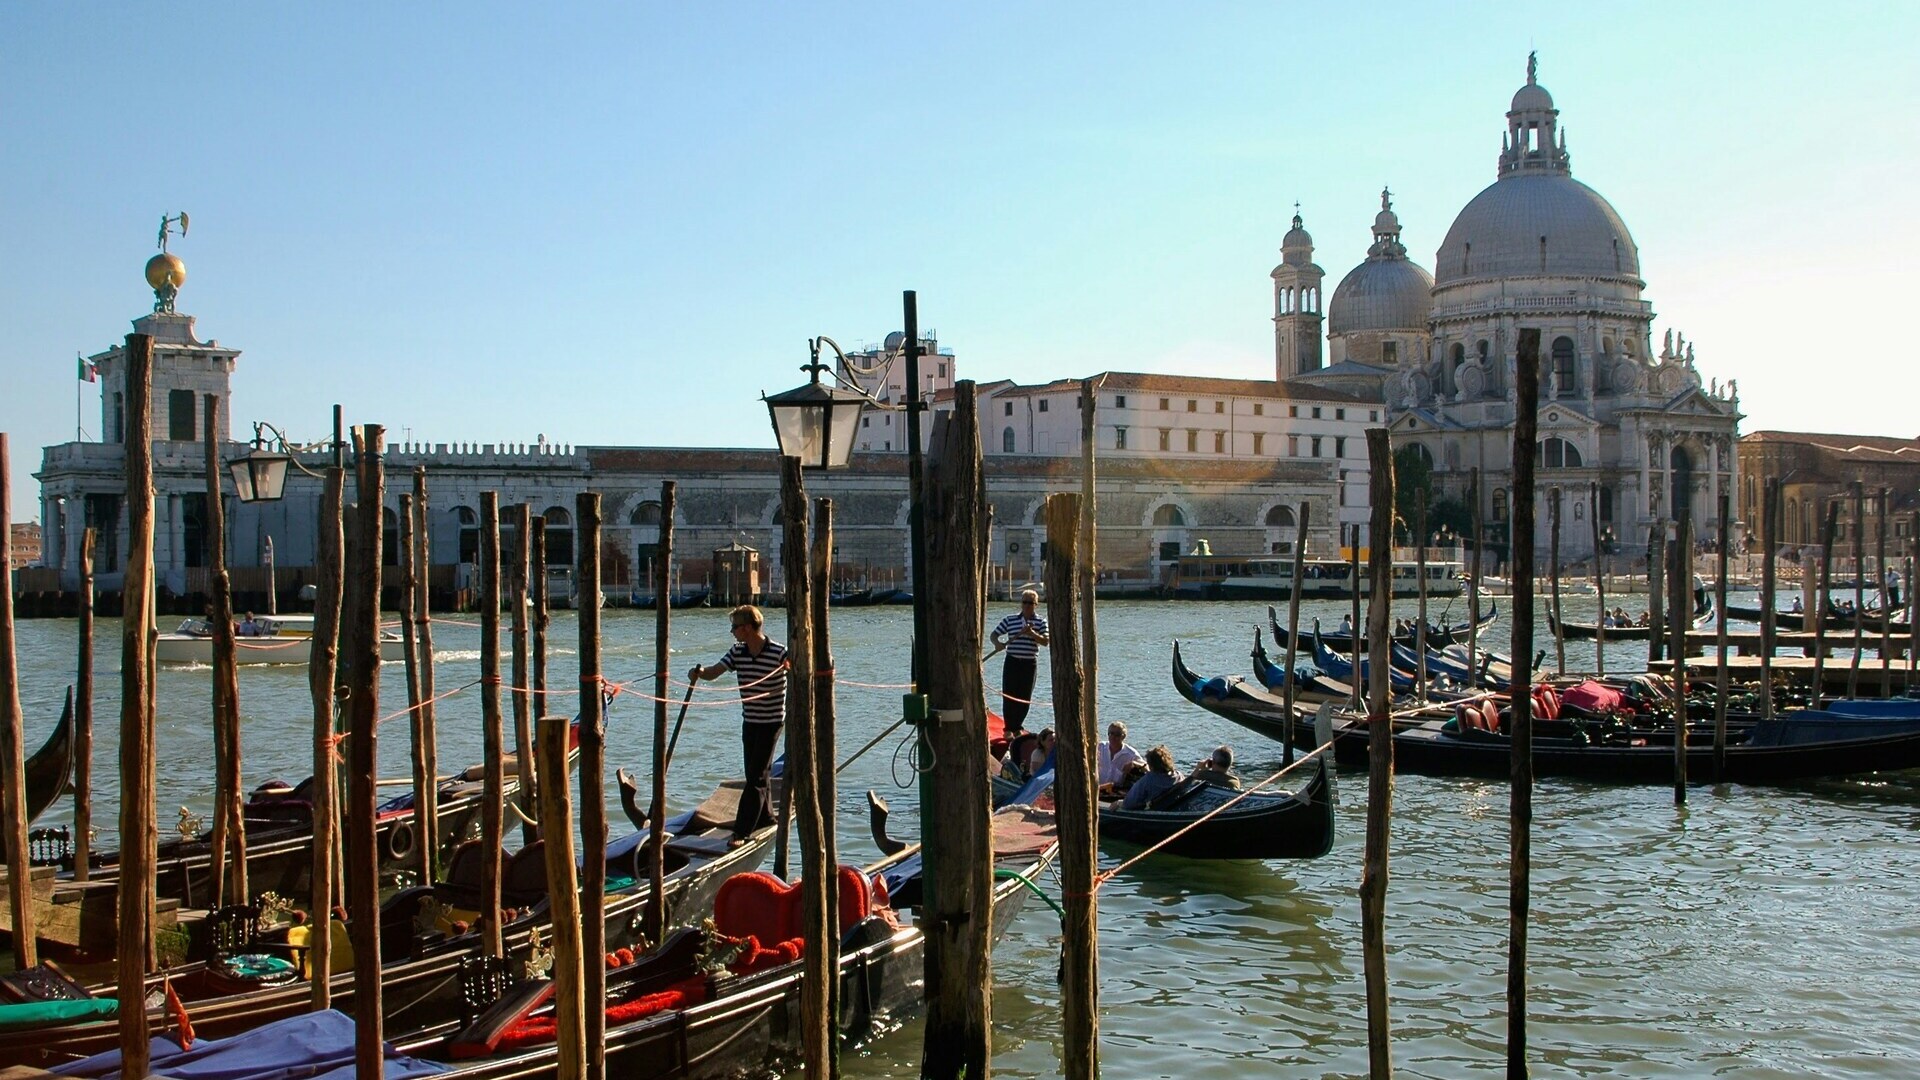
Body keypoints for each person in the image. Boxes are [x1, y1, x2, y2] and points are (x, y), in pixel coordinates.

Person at [689, 604, 788, 846]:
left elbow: (799, 669)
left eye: (734, 627)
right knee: (755, 773)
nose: (732, 632)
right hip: (750, 721)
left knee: (756, 777)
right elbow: (714, 672)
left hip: (771, 722)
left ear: (747, 628)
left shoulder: (778, 652)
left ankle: (741, 832)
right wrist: (699, 672)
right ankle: (766, 816)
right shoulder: (737, 652)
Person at [991, 590, 1050, 735]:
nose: (1027, 605)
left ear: (1036, 604)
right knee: (1009, 694)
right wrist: (997, 643)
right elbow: (994, 634)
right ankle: (1008, 729)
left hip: (1029, 664)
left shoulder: (1041, 622)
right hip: (1012, 661)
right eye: (1025, 602)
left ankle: (1017, 727)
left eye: (1030, 603)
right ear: (1021, 603)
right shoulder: (1010, 620)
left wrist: (1032, 634)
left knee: (1024, 697)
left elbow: (1045, 641)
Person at [1121, 745, 1179, 809]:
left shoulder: (1148, 780)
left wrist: (1119, 803)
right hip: (1174, 805)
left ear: (1151, 765)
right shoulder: (1178, 776)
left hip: (1156, 808)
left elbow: (1128, 804)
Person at [1097, 721, 1141, 786]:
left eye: (1117, 734)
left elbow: (1147, 768)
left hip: (1115, 789)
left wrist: (1135, 764)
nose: (1113, 737)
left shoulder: (1130, 754)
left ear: (1124, 736)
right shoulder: (1100, 747)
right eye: (1111, 733)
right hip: (1096, 788)